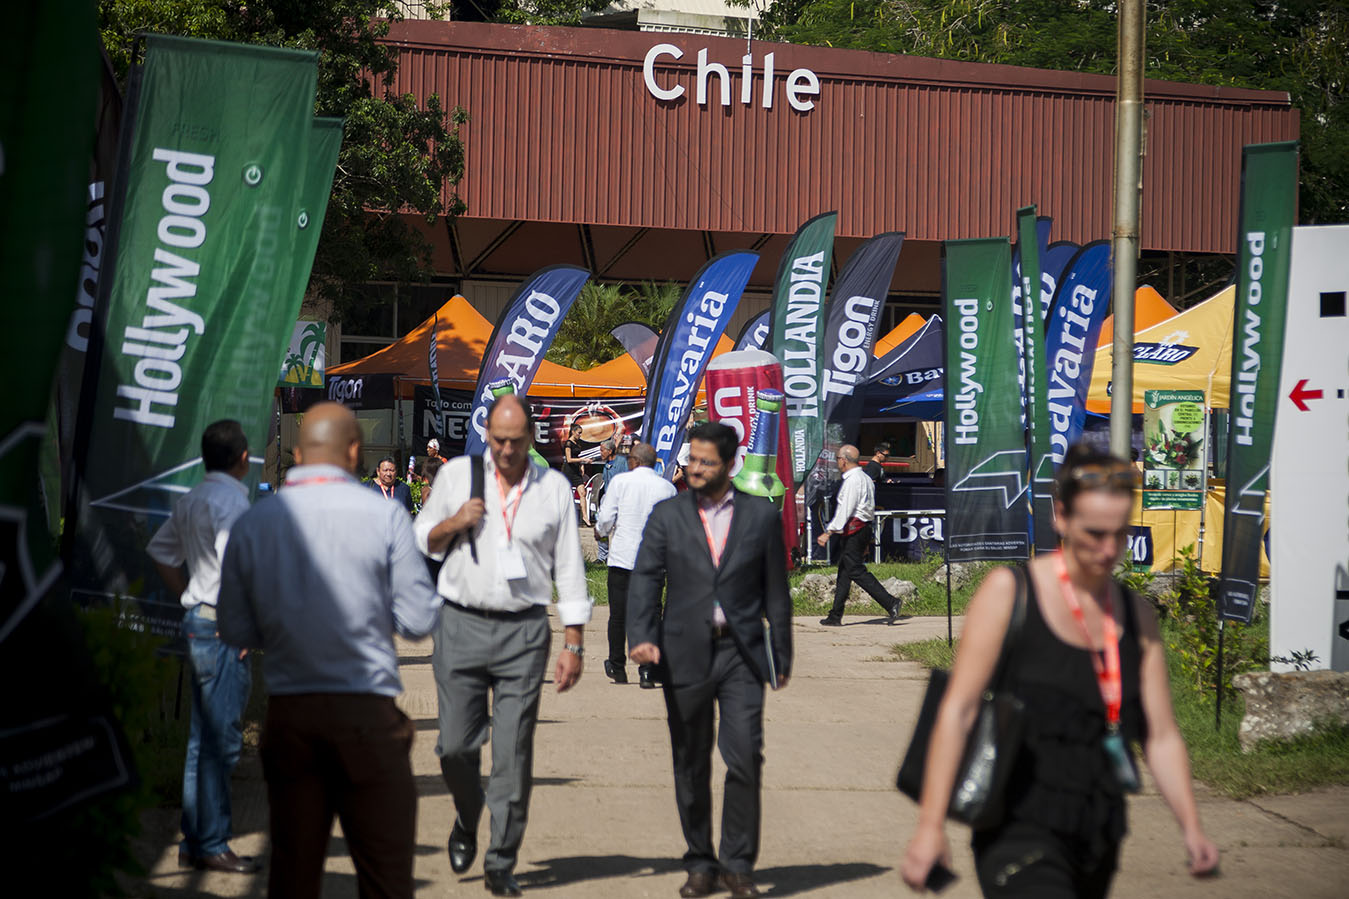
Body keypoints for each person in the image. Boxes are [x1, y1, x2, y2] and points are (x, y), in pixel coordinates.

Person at [900, 444, 1220, 897]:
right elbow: (958, 711)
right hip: (1018, 827)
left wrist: (1192, 828)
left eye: (1120, 533)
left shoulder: (1137, 616)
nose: (1108, 549)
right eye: (1095, 533)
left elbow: (1161, 735)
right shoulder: (1010, 594)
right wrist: (930, 826)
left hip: (1099, 830)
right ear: (1062, 516)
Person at [217, 403, 441, 899]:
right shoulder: (385, 516)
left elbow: (233, 627)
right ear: (355, 452)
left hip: (290, 716)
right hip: (366, 714)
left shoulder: (256, 521)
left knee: (293, 871)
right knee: (385, 874)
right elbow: (419, 620)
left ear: (298, 455)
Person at [415, 393, 592, 898]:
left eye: (516, 441)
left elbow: (568, 566)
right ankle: (467, 813)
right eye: (498, 440)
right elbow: (422, 537)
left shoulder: (552, 488)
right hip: (460, 625)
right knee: (455, 746)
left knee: (513, 752)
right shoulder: (457, 476)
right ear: (486, 435)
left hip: (524, 632)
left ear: (531, 438)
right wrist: (454, 523)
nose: (507, 450)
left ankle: (500, 862)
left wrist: (574, 642)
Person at [627, 421, 793, 899]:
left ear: (730, 465)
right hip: (684, 652)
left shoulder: (759, 516)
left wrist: (781, 651)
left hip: (741, 652)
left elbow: (776, 590)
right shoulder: (668, 514)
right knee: (691, 759)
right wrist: (642, 636)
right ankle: (700, 861)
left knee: (745, 757)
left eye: (705, 462)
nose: (695, 469)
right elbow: (646, 576)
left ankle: (737, 865)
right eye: (692, 460)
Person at [146, 420, 258, 875]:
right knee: (220, 741)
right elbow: (237, 569)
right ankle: (211, 843)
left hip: (200, 618)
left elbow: (161, 552)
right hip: (222, 625)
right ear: (243, 458)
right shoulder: (233, 502)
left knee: (201, 740)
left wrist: (188, 596)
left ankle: (196, 841)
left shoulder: (193, 498)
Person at [594, 441, 676, 686]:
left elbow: (606, 517)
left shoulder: (620, 482)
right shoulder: (667, 488)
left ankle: (617, 666)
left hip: (623, 559)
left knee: (618, 615)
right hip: (653, 562)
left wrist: (600, 531)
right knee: (651, 614)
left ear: (635, 462)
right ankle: (648, 670)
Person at [817, 444, 903, 626]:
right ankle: (835, 615)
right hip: (862, 528)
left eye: (838, 459)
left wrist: (828, 532)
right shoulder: (865, 478)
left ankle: (891, 602)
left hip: (854, 530)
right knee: (844, 573)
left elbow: (845, 509)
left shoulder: (853, 481)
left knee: (855, 570)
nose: (837, 462)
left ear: (843, 460)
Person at [594, 438, 630, 564]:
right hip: (607, 498)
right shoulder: (607, 463)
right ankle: (602, 556)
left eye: (602, 450)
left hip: (620, 499)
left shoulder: (623, 462)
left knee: (619, 528)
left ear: (610, 451)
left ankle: (617, 556)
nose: (601, 453)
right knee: (602, 525)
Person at [562, 422, 588, 488]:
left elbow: (576, 456)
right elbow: (569, 459)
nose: (580, 435)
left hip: (576, 470)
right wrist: (582, 460)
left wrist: (581, 465)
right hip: (569, 470)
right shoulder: (568, 443)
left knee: (582, 491)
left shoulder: (577, 443)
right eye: (579, 433)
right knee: (567, 490)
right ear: (573, 432)